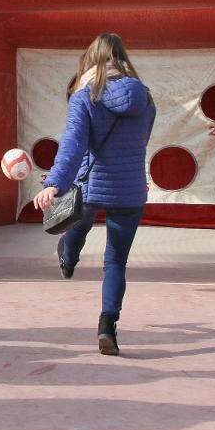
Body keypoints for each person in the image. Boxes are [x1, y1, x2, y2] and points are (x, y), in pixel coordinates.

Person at [33, 32, 156, 356]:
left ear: (90, 59)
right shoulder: (144, 97)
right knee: (115, 260)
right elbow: (142, 141)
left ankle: (69, 256)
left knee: (78, 223)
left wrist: (54, 184)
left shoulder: (84, 96)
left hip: (92, 184)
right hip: (130, 189)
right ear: (122, 58)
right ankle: (107, 326)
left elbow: (72, 146)